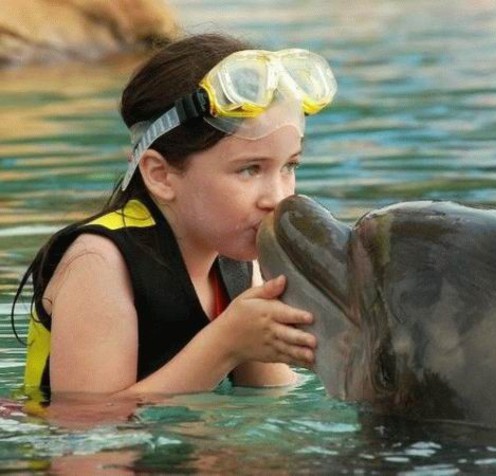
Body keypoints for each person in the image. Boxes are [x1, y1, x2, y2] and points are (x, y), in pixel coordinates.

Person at [11, 32, 338, 398]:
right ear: (161, 175)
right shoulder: (99, 263)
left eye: (289, 166)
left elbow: (271, 404)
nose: (277, 198)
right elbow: (84, 429)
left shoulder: (240, 261)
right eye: (249, 169)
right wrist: (227, 343)